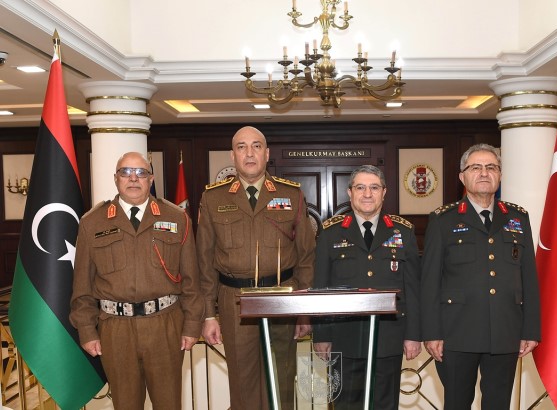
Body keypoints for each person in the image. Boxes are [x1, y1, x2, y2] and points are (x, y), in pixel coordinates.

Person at [70, 152, 204, 409]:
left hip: (165, 326)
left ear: (151, 179)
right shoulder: (92, 222)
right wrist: (86, 330)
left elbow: (191, 280)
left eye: (141, 172)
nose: (133, 178)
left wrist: (191, 325)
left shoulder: (176, 217)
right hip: (116, 330)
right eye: (126, 172)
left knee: (169, 404)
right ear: (116, 179)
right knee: (125, 404)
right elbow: (82, 287)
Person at [197, 126, 315, 410]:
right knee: (243, 383)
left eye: (256, 146)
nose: (249, 153)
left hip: (283, 299)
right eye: (241, 147)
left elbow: (306, 257)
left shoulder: (291, 194)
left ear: (267, 153)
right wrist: (209, 314)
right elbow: (204, 261)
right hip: (234, 301)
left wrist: (304, 311)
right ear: (232, 155)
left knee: (282, 380)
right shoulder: (213, 198)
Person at [420, 143, 541, 409]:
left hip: (505, 331)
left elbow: (529, 277)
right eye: (476, 167)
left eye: (491, 167)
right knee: (457, 403)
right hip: (456, 333)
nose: (484, 173)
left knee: (498, 404)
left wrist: (531, 329)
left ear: (500, 175)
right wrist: (431, 332)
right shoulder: (443, 220)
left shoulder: (518, 218)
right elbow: (429, 281)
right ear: (462, 177)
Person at [313, 164, 423, 410]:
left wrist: (413, 334)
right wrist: (321, 335)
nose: (367, 194)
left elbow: (413, 288)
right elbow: (320, 287)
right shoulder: (330, 233)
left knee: (385, 405)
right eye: (360, 188)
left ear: (384, 192)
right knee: (345, 405)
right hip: (344, 338)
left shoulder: (403, 231)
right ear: (350, 193)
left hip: (389, 337)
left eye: (374, 188)